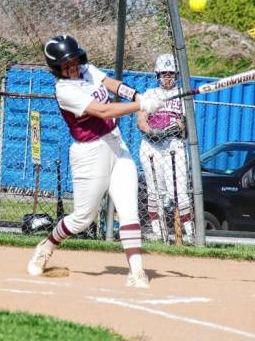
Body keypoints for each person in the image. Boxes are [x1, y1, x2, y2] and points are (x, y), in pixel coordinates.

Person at [26, 35, 164, 288]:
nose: (73, 67)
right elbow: (103, 111)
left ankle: (136, 272)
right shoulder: (64, 90)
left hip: (116, 144)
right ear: (57, 69)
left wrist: (137, 95)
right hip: (90, 153)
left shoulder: (87, 70)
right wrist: (140, 105)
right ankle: (47, 245)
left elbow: (111, 84)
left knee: (129, 210)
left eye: (75, 61)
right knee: (82, 218)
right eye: (66, 65)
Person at [137, 53, 193, 244]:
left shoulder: (183, 96)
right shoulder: (149, 94)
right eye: (163, 73)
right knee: (156, 193)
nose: (167, 77)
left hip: (174, 146)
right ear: (157, 75)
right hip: (151, 146)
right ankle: (160, 235)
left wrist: (178, 126)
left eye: (170, 73)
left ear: (176, 74)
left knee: (179, 193)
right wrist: (153, 131)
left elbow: (186, 127)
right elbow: (141, 121)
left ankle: (190, 236)